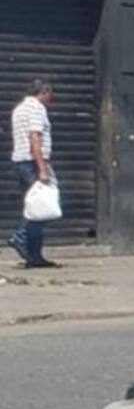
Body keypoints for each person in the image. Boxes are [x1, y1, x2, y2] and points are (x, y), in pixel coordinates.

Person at [8, 79, 59, 268]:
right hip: (33, 163)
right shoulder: (37, 108)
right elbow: (34, 138)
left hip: (20, 162)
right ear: (43, 92)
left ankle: (34, 257)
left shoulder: (20, 108)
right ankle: (20, 237)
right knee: (44, 206)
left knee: (35, 207)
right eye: (50, 93)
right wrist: (42, 169)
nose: (51, 98)